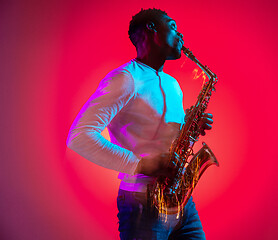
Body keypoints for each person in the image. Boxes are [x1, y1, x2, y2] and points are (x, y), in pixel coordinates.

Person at [67, 8, 213, 240]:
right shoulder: (125, 78)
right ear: (151, 29)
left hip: (181, 199)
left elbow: (162, 135)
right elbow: (79, 136)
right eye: (173, 26)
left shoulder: (173, 84)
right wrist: (141, 165)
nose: (181, 35)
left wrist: (191, 124)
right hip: (142, 204)